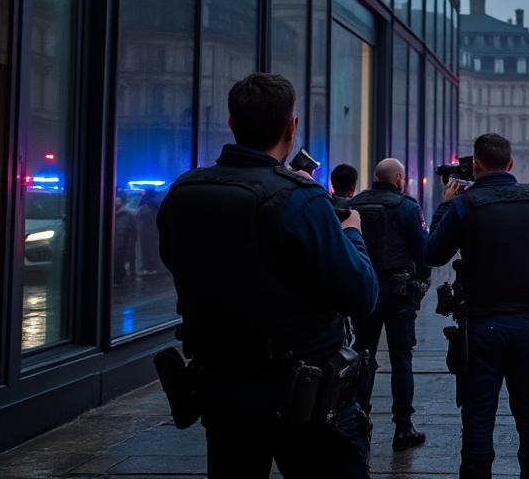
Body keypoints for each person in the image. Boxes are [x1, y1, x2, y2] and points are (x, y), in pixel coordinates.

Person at [157, 73, 379, 478]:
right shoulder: (299, 196)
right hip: (303, 390)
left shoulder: (184, 191)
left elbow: (177, 263)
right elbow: (361, 293)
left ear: (231, 123)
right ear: (291, 127)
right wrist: (353, 234)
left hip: (222, 385)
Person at [425, 133, 529, 479]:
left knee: (478, 417)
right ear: (511, 165)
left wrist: (445, 204)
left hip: (480, 325)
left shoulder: (466, 204)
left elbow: (433, 254)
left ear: (475, 166)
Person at [345, 158, 430, 453]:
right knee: (401, 358)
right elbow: (423, 250)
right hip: (399, 291)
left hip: (365, 290)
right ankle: (403, 426)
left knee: (363, 353)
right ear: (398, 179)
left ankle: (358, 417)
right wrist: (422, 279)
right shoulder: (406, 206)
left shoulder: (356, 202)